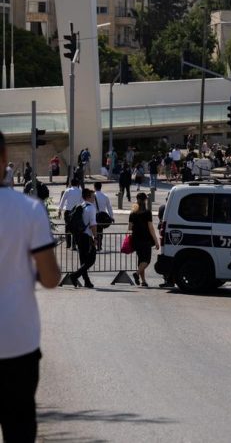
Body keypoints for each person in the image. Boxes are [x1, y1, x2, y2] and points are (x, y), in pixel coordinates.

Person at [0, 130, 60, 442]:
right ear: (4, 160)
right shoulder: (29, 210)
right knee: (19, 428)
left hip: (19, 345)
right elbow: (51, 278)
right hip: (16, 344)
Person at [66, 189, 97, 288]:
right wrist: (95, 237)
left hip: (78, 235)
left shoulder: (80, 206)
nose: (94, 198)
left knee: (83, 259)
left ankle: (86, 281)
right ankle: (74, 276)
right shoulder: (91, 208)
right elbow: (93, 225)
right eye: (93, 196)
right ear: (88, 197)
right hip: (86, 236)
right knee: (91, 259)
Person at [128, 192, 160, 287]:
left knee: (141, 260)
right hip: (145, 239)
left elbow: (130, 227)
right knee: (147, 260)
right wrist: (156, 241)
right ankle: (137, 274)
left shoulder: (132, 213)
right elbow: (151, 228)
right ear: (145, 200)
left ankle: (143, 281)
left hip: (136, 239)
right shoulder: (147, 212)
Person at [58, 178, 82, 249]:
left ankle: (68, 244)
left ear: (71, 184)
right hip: (77, 212)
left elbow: (62, 201)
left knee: (67, 227)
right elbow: (82, 202)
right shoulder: (80, 191)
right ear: (77, 184)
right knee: (76, 228)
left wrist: (60, 211)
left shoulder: (67, 191)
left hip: (68, 211)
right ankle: (74, 244)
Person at [93, 182, 113, 251]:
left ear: (94, 187)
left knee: (92, 231)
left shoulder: (92, 196)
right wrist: (111, 216)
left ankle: (93, 245)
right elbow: (109, 207)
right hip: (102, 216)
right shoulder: (105, 196)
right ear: (101, 187)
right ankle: (99, 245)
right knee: (100, 231)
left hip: (94, 216)